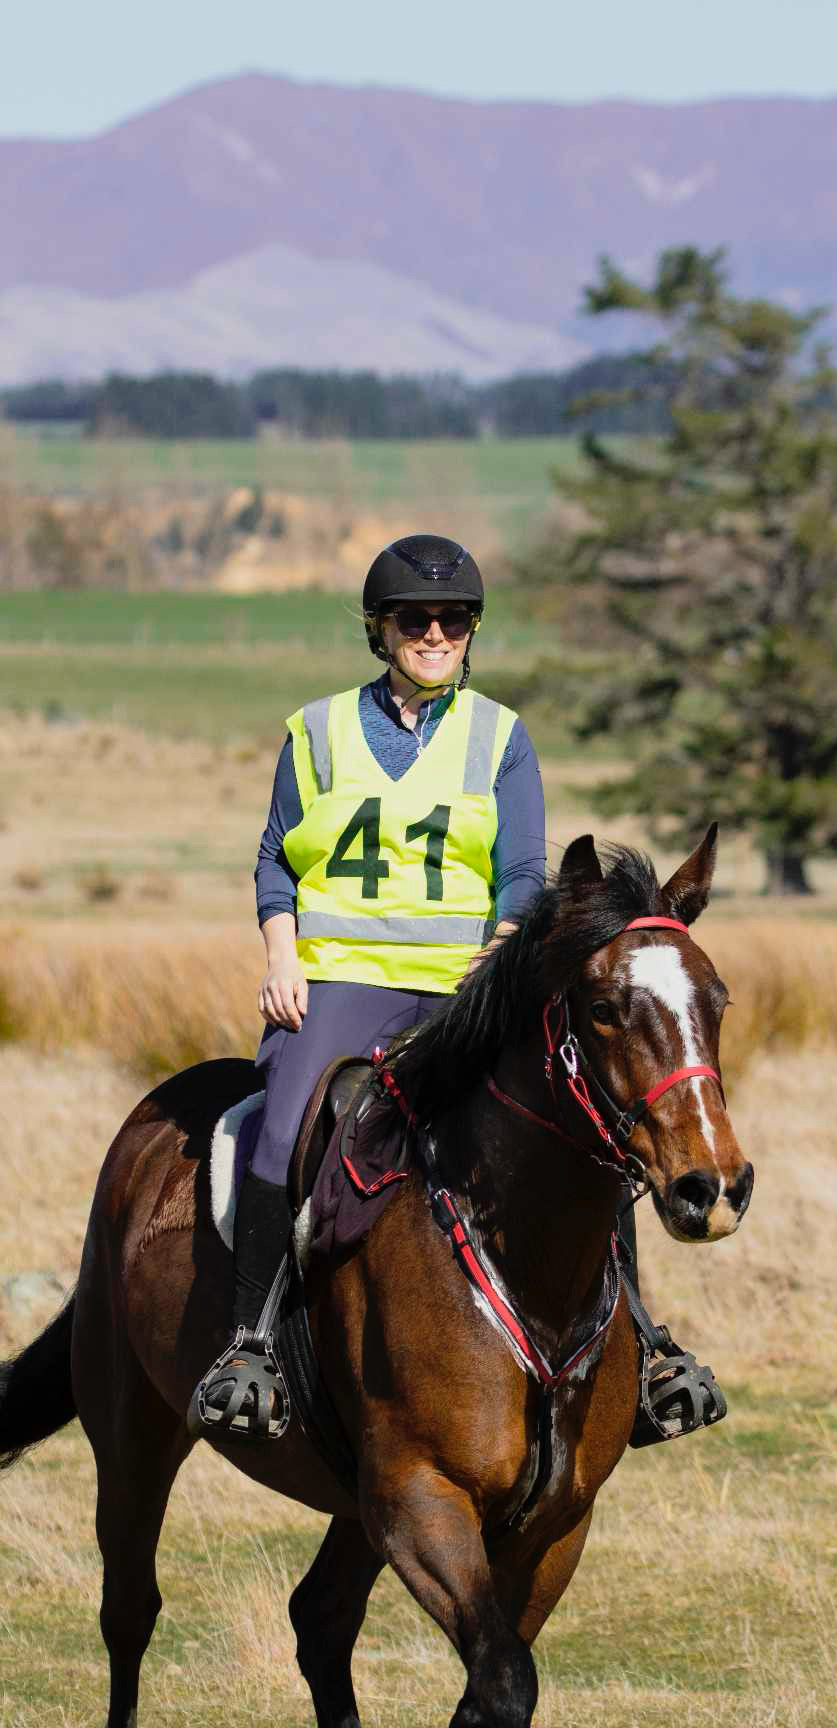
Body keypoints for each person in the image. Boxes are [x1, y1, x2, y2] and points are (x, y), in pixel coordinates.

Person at [189, 533, 546, 1440]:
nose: (435, 633)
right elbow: (275, 858)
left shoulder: (501, 737)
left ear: (472, 632)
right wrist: (283, 958)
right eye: (413, 619)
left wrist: (499, 952)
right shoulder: (315, 731)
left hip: (462, 991)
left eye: (453, 619)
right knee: (277, 1134)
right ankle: (250, 1343)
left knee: (574, 1122)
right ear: (379, 629)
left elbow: (526, 873)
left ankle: (648, 1344)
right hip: (339, 981)